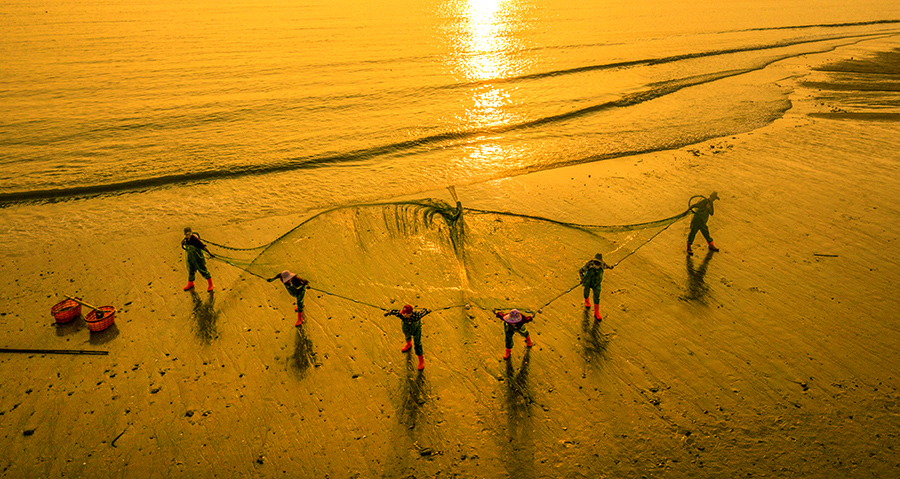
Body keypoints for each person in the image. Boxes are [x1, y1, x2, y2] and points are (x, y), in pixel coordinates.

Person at [384, 304, 431, 370]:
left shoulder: (416, 316)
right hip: (406, 328)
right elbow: (395, 312)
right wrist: (389, 312)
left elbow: (423, 312)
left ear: (410, 313)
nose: (403, 314)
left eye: (405, 314)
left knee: (417, 344)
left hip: (416, 329)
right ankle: (409, 344)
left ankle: (421, 360)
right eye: (403, 313)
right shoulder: (402, 315)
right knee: (407, 335)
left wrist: (427, 310)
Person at [579, 253, 614, 321]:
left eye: (598, 262)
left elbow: (607, 266)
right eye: (595, 261)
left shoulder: (602, 265)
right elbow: (580, 271)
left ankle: (596, 312)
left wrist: (611, 267)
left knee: (597, 296)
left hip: (597, 283)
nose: (596, 263)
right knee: (586, 293)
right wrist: (582, 279)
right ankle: (587, 301)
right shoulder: (589, 264)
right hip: (588, 281)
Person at [182, 227, 215, 292]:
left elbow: (203, 246)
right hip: (191, 258)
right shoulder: (186, 239)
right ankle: (190, 283)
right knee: (191, 270)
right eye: (186, 234)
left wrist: (210, 253)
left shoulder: (195, 240)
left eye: (188, 234)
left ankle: (211, 284)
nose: (187, 236)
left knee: (203, 270)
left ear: (191, 233)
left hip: (198, 258)